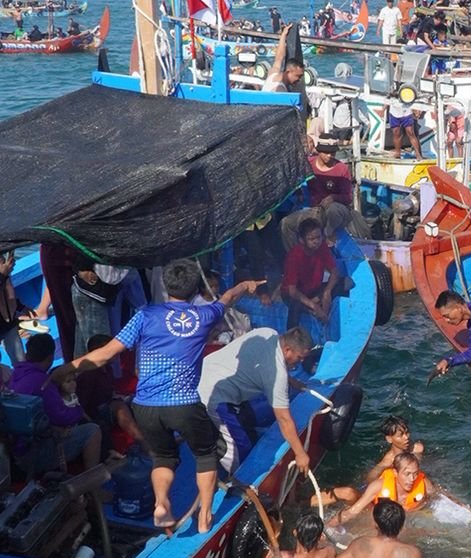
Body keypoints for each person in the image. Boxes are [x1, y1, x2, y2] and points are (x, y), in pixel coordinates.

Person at [75, 261, 259, 533]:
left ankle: (161, 504)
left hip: (146, 407)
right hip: (184, 405)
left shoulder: (145, 314)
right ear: (196, 289)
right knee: (206, 454)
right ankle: (205, 516)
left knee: (163, 458)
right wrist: (246, 285)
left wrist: (68, 368)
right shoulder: (205, 315)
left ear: (165, 285)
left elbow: (105, 354)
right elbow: (228, 298)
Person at [199, 324, 313, 475]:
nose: (299, 362)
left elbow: (266, 360)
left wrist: (290, 380)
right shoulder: (277, 376)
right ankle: (241, 482)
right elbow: (284, 419)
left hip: (205, 373)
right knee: (242, 449)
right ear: (287, 350)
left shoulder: (267, 332)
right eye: (299, 358)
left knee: (247, 422)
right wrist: (300, 454)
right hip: (212, 395)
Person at [10, 333, 103, 475]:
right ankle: (92, 482)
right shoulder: (43, 381)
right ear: (50, 357)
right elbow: (62, 417)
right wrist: (78, 409)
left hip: (14, 449)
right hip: (30, 454)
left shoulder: (16, 374)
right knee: (92, 430)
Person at [329, 450, 431, 529]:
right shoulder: (378, 486)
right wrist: (328, 527)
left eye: (415, 474)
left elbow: (439, 498)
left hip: (410, 521)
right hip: (379, 523)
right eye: (407, 474)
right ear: (395, 473)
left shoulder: (424, 484)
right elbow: (352, 511)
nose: (412, 479)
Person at [282, 217, 343, 327]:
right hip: (295, 295)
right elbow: (292, 291)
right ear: (302, 240)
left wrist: (327, 292)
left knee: (344, 283)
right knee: (295, 306)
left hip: (314, 290)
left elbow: (334, 272)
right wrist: (314, 306)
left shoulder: (322, 246)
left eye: (319, 237)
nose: (316, 241)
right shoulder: (294, 256)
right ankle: (291, 335)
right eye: (311, 239)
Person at [264, 510, 336, 558]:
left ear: (295, 532)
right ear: (320, 537)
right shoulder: (329, 552)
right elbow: (327, 543)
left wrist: (275, 536)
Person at [0, 247, 33, 364]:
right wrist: (2, 275)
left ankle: (21, 372)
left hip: (9, 322)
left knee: (19, 359)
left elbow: (8, 294)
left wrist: (20, 307)